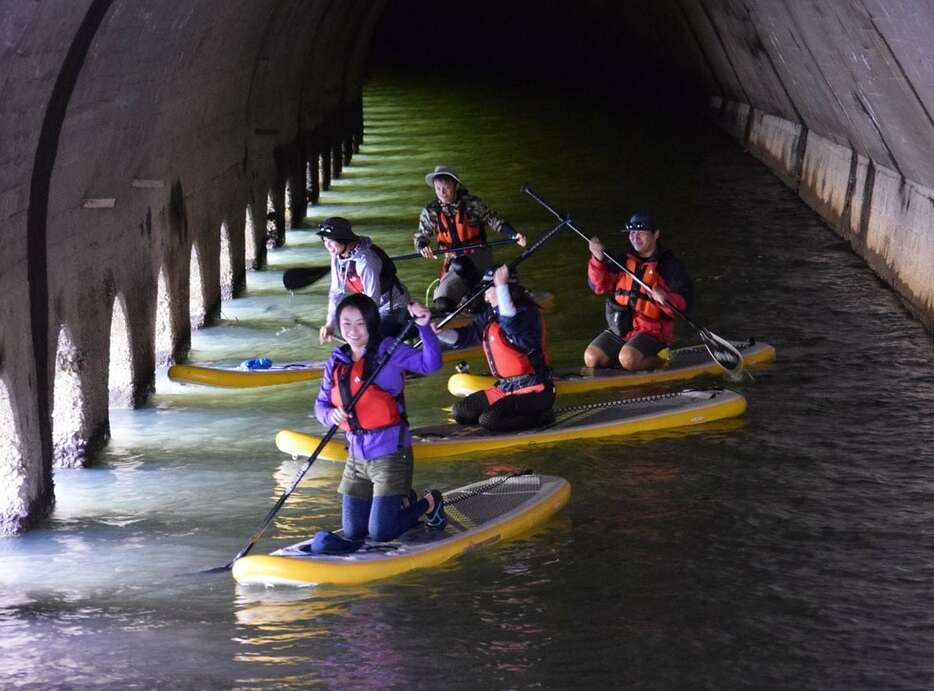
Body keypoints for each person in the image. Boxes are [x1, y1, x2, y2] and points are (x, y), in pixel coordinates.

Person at [310, 293, 446, 554]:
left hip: (391, 454)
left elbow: (431, 364)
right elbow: (320, 406)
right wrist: (330, 416)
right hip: (355, 459)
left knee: (380, 532)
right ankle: (403, 502)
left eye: (360, 323)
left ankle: (429, 502)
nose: (352, 331)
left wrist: (423, 327)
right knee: (353, 533)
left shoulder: (390, 351)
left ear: (371, 323)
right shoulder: (336, 362)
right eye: (346, 323)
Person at [435, 265, 555, 432]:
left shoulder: (527, 313)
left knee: (489, 420)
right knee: (461, 412)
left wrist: (501, 290)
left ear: (505, 290)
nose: (485, 295)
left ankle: (541, 417)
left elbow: (511, 327)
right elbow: (466, 337)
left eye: (489, 290)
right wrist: (440, 333)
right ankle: (505, 415)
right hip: (505, 387)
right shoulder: (492, 314)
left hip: (535, 388)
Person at [585, 212, 692, 371]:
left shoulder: (670, 267)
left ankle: (662, 359)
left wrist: (666, 298)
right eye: (632, 232)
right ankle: (624, 359)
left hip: (653, 332)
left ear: (656, 235)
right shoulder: (621, 261)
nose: (635, 236)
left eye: (641, 232)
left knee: (628, 358)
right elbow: (598, 286)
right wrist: (597, 259)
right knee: (591, 358)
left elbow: (684, 305)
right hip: (622, 328)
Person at [415, 165, 527, 313]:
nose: (442, 192)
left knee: (461, 264)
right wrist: (423, 246)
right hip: (454, 265)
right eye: (437, 188)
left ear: (455, 186)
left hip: (478, 258)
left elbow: (494, 220)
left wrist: (513, 235)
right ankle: (468, 297)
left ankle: (476, 294)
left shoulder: (472, 204)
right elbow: (421, 236)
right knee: (443, 305)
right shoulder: (430, 212)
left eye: (446, 187)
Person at [317, 217, 411, 343]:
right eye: (324, 240)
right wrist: (331, 324)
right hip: (373, 306)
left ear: (343, 238)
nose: (327, 245)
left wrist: (360, 326)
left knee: (367, 341)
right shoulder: (337, 255)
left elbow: (372, 300)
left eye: (331, 240)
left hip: (393, 308)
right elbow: (337, 292)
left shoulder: (366, 261)